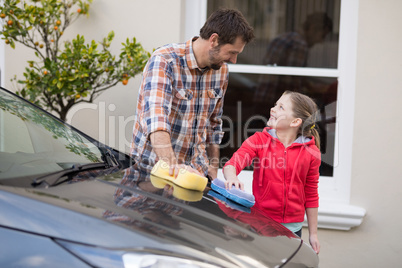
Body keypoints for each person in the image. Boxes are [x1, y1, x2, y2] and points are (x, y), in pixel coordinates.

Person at [130, 8, 254, 179]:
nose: (234, 60)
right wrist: (174, 169)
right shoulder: (165, 61)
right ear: (214, 40)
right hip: (152, 175)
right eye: (232, 52)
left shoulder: (221, 71)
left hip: (195, 174)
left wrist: (212, 166)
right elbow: (156, 120)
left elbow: (214, 124)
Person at [223, 91, 321, 254]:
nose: (273, 109)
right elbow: (232, 164)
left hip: (292, 231)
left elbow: (311, 194)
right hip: (260, 225)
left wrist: (313, 234)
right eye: (275, 104)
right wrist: (232, 177)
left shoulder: (312, 153)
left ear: (296, 121)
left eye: (281, 107)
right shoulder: (258, 140)